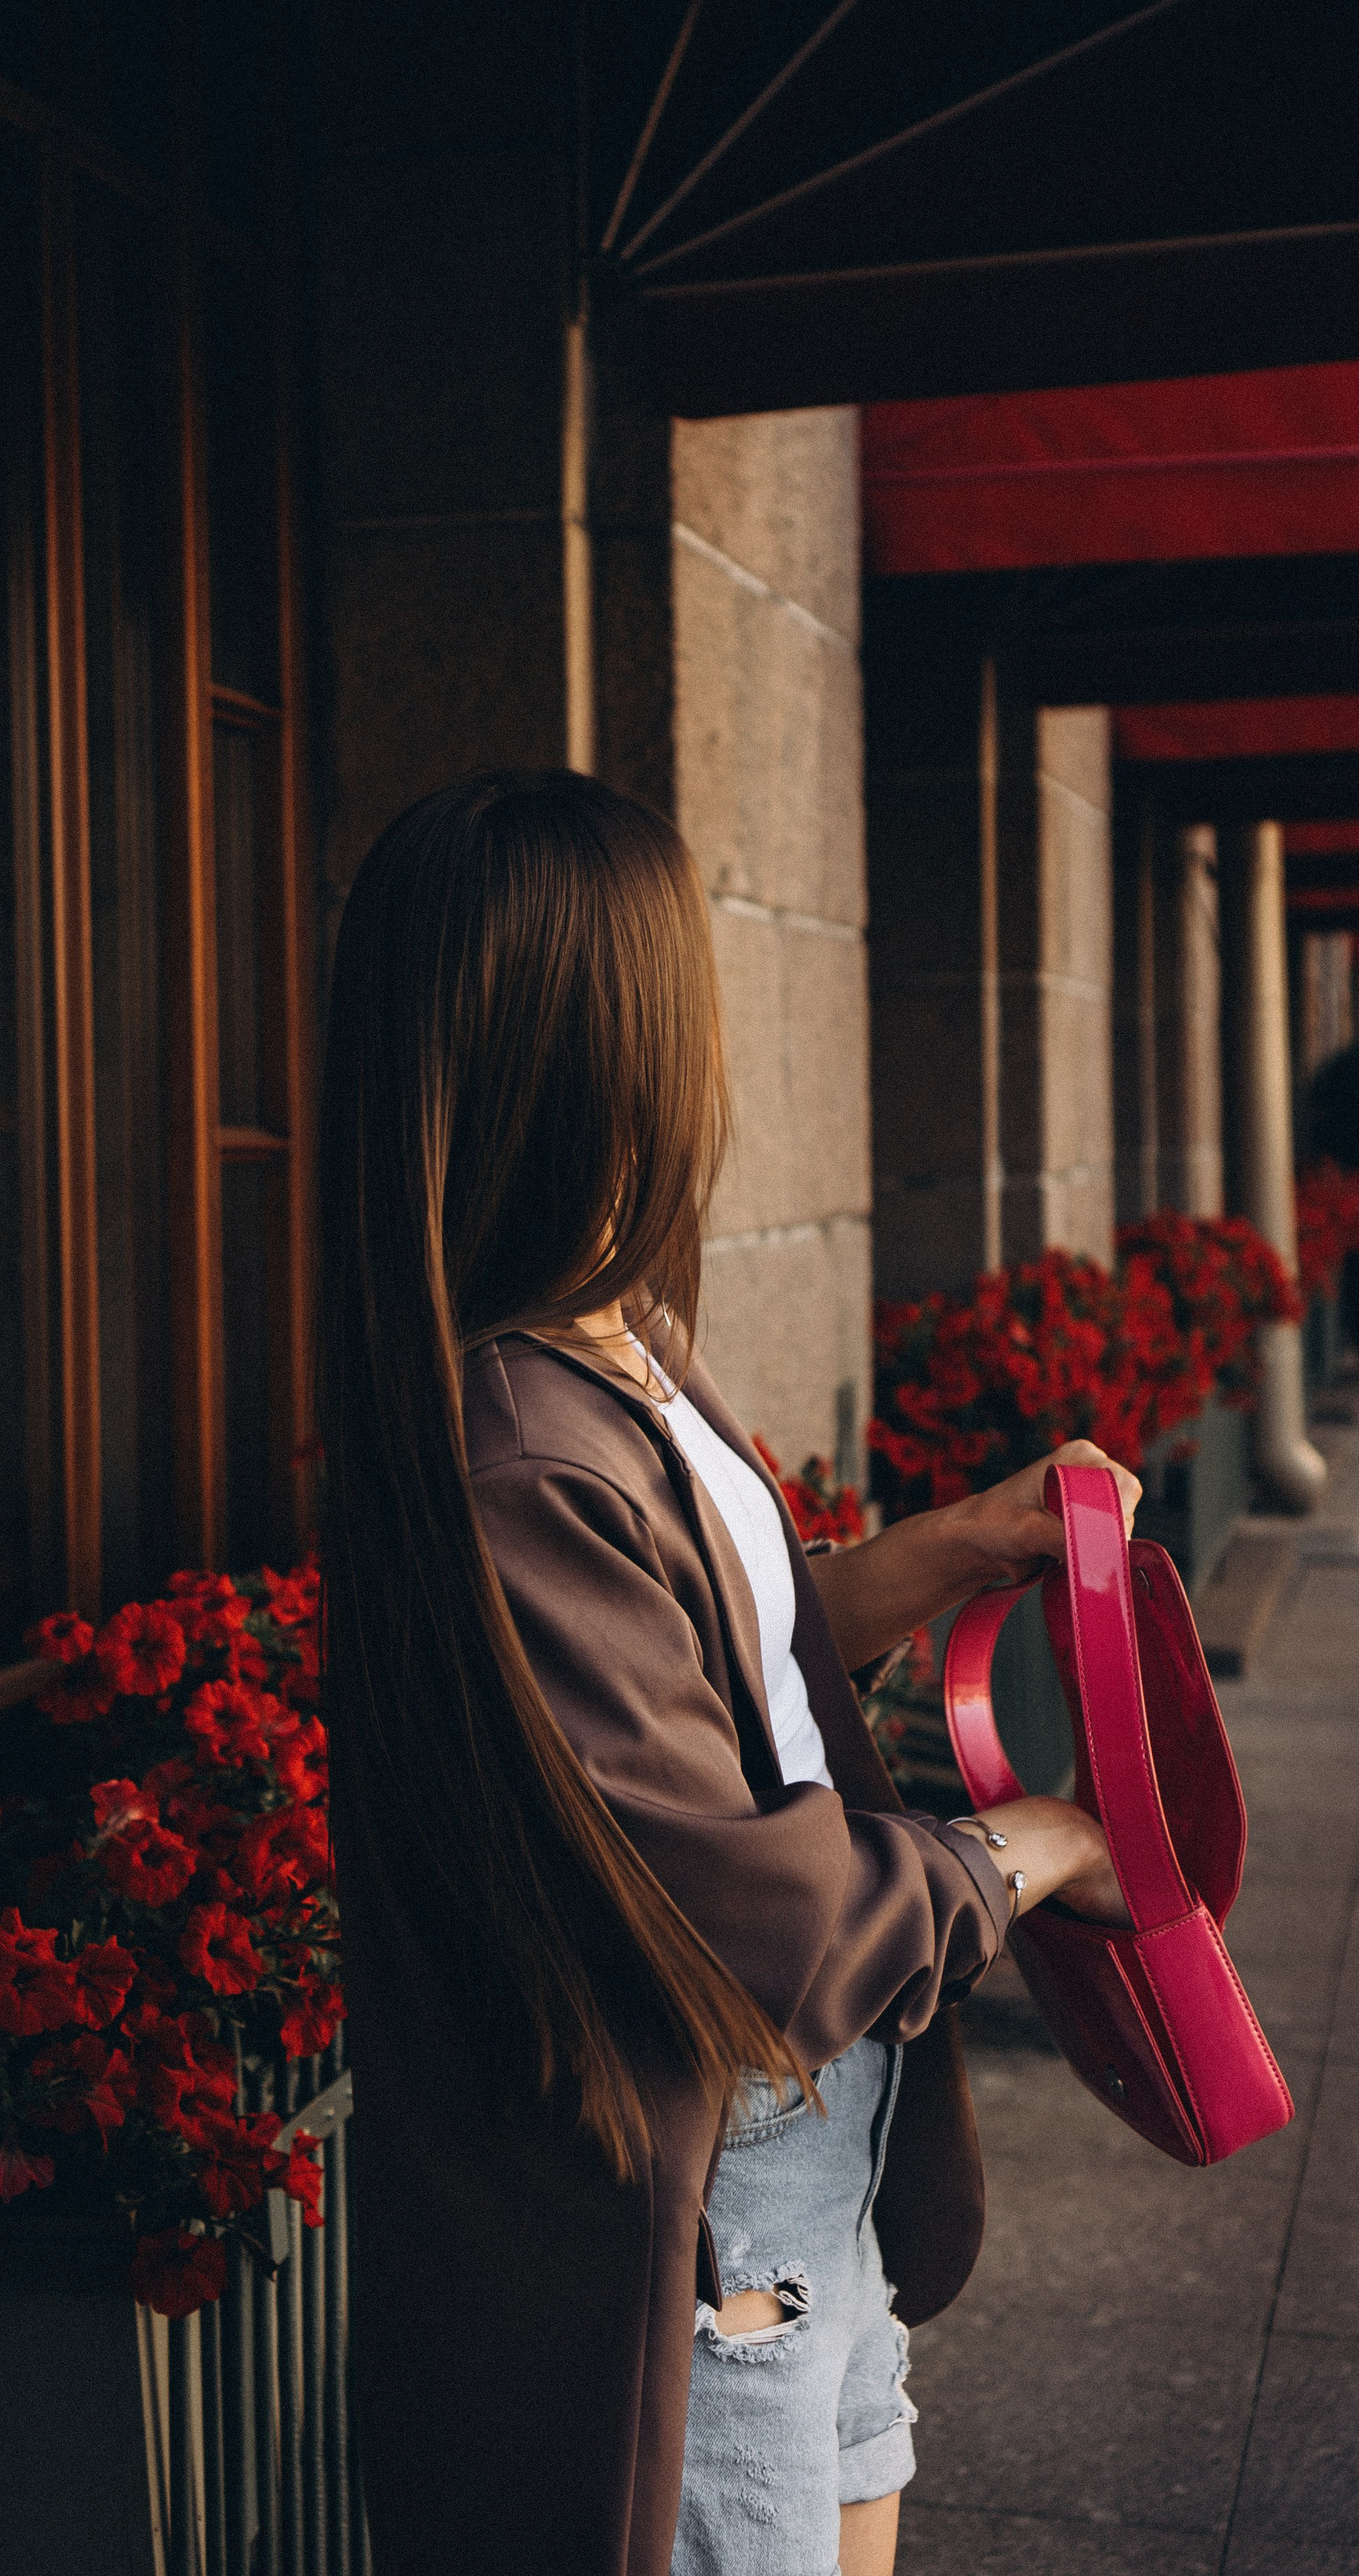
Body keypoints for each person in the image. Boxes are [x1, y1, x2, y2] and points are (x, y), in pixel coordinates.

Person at [316, 771, 1132, 2576]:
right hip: (692, 2215)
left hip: (804, 2160)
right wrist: (1042, 1844)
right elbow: (754, 1910)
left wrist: (946, 1551)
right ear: (601, 1046)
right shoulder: (515, 1447)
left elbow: (709, 1676)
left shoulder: (618, 1352)